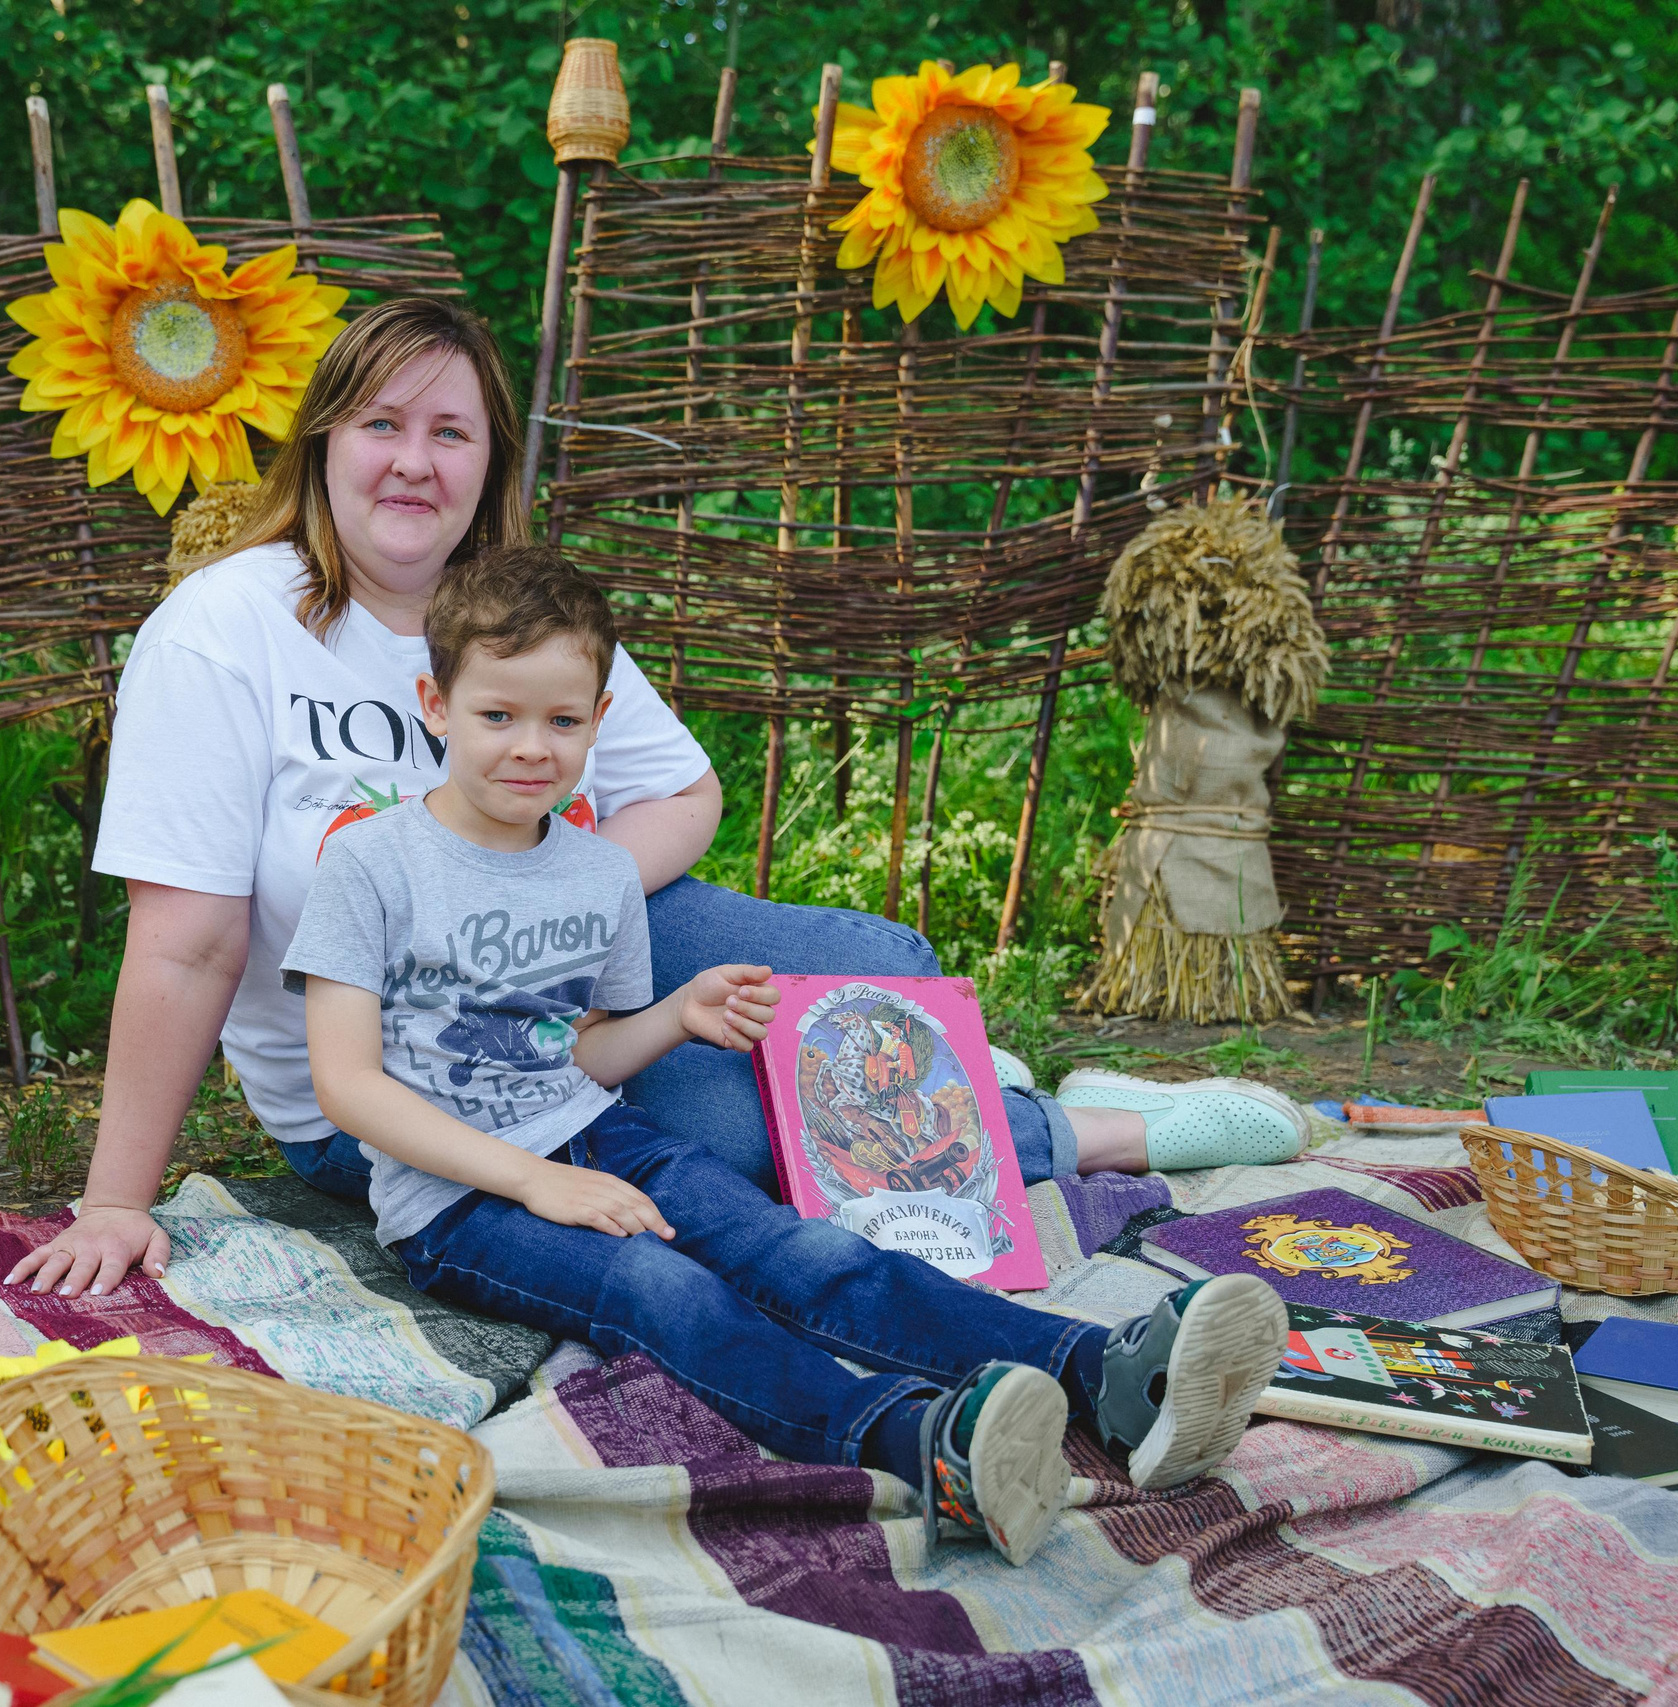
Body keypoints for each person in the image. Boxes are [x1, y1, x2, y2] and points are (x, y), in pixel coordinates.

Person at [4, 295, 1304, 1302]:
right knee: (744, 1146)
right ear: (323, 441)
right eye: (382, 425)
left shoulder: (512, 611)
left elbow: (683, 793)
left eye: (449, 431)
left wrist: (552, 896)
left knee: (879, 960)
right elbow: (187, 939)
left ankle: (924, 1058)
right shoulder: (222, 631)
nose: (413, 462)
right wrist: (117, 1198)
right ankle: (1077, 1126)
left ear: (489, 461)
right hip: (408, 1077)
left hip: (577, 975)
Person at [280, 546, 1290, 1560]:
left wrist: (676, 1015)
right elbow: (348, 1086)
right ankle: (918, 1444)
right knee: (659, 1287)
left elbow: (581, 1055)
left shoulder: (595, 874)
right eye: (497, 715)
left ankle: (1109, 1374)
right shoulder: (373, 864)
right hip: (453, 1202)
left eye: (563, 720)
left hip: (597, 1135)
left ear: (597, 718)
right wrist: (536, 1184)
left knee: (804, 1248)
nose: (530, 748)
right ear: (436, 703)